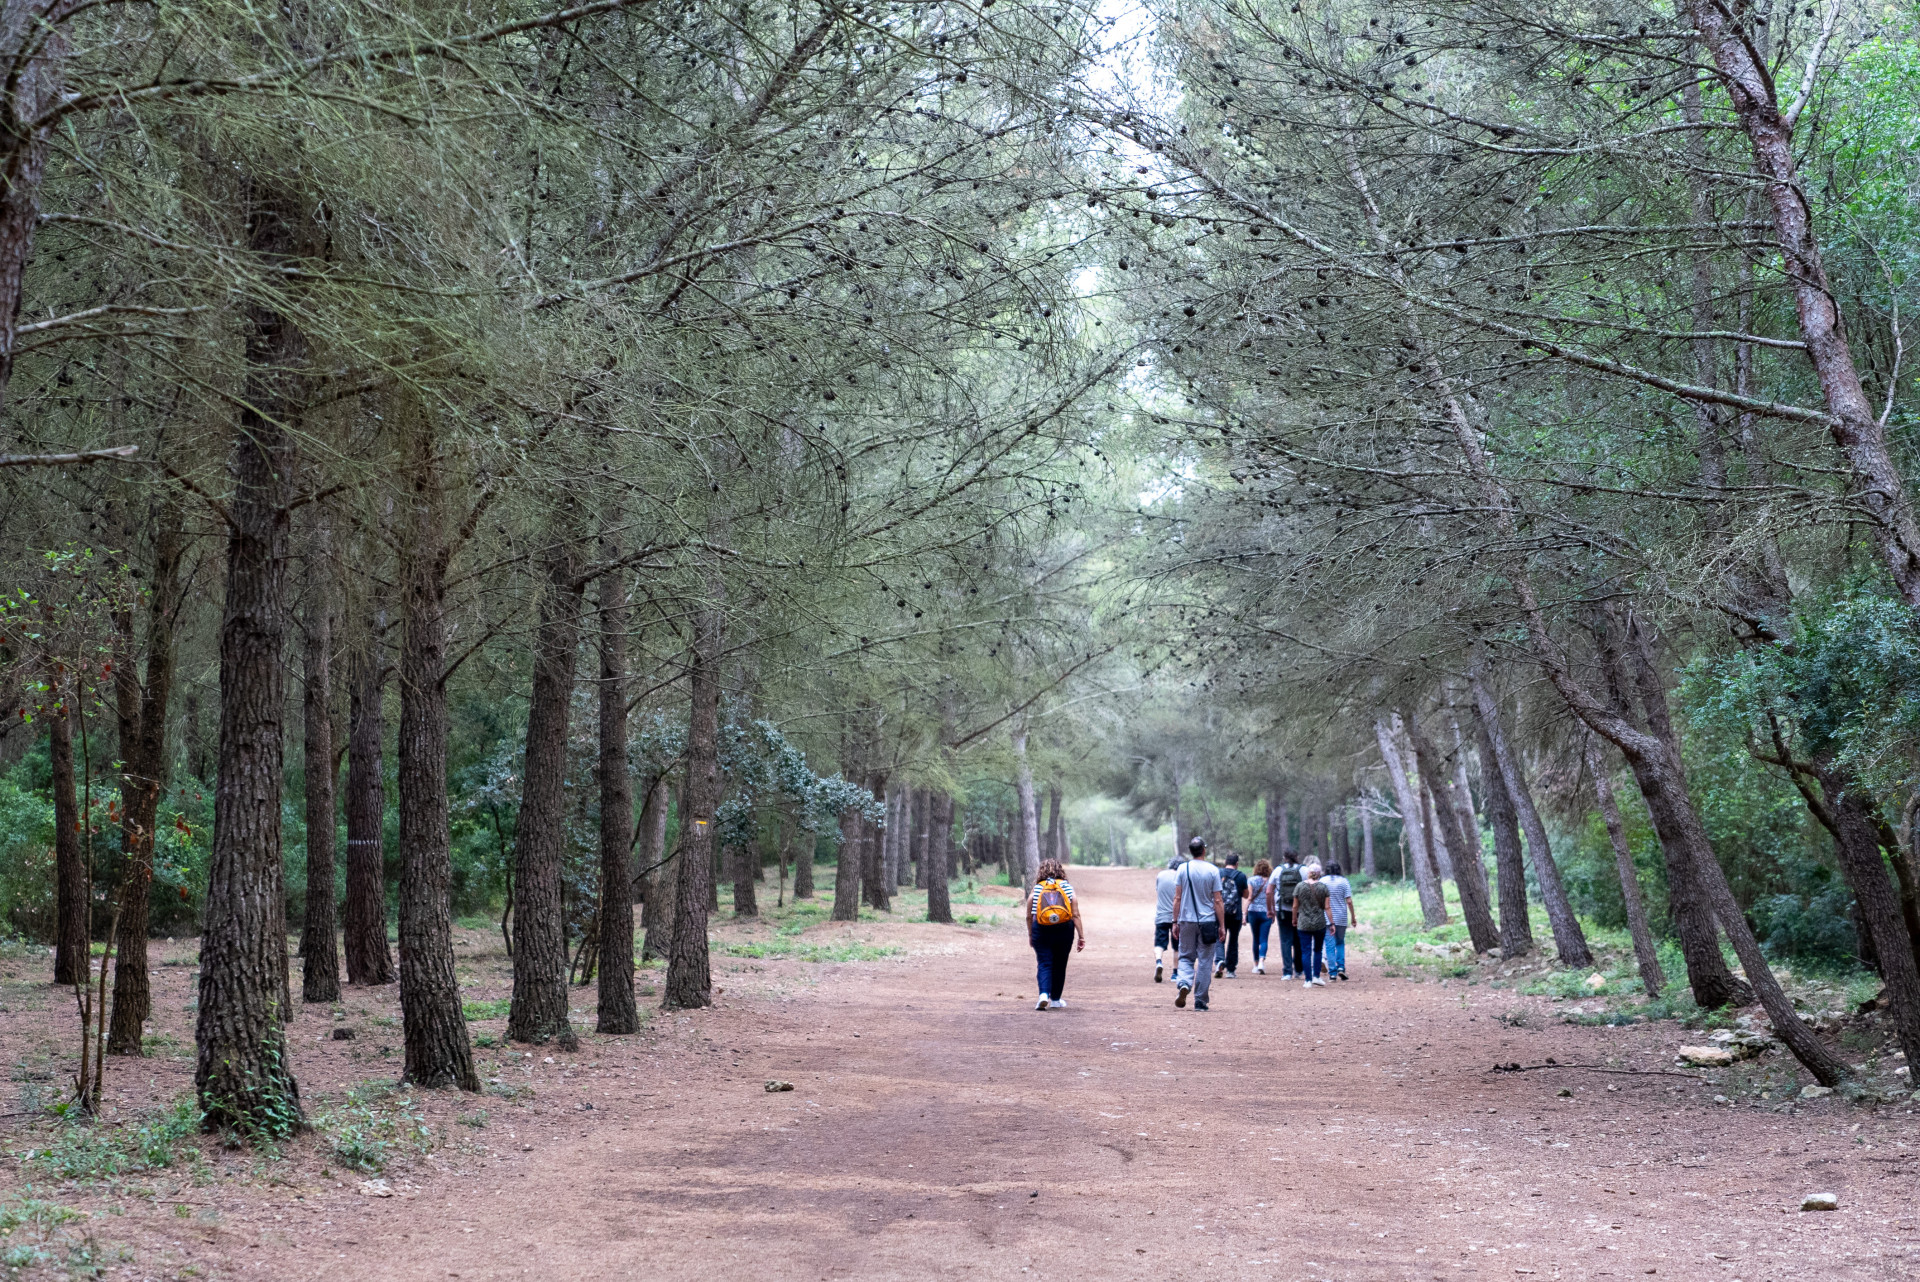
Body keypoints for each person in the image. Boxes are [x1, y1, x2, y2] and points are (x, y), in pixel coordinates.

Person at [1167, 836, 1225, 1011]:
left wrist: (1174, 921)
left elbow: (1177, 898)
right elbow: (1218, 900)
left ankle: (1184, 982)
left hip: (1186, 920)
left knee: (1185, 956)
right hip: (1207, 922)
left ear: (1190, 851)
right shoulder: (1213, 870)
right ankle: (1200, 1000)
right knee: (1206, 960)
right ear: (1204, 850)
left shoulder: (1182, 869)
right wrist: (1221, 925)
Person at [1027, 859, 1085, 1010]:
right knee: (1060, 964)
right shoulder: (1067, 888)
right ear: (1061, 871)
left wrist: (1031, 934)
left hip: (1041, 929)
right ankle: (1056, 1000)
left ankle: (1043, 995)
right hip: (1064, 929)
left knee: (1044, 963)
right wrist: (1081, 936)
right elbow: (1076, 914)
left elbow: (1029, 915)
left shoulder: (1037, 889)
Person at [1291, 862, 1332, 988]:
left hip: (1303, 922)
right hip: (1319, 923)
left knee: (1305, 951)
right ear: (1319, 874)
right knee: (1318, 950)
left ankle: (1307, 980)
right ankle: (1317, 977)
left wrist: (1294, 919)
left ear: (1308, 873)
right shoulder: (1323, 887)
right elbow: (1327, 907)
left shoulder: (1299, 886)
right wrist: (1332, 922)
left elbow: (1295, 906)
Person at [1269, 849, 1305, 980]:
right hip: (1300, 910)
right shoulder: (1303, 870)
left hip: (1282, 910)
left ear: (1284, 858)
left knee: (1285, 940)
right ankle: (1299, 970)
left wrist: (1270, 909)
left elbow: (1269, 891)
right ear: (1296, 857)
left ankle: (1287, 972)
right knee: (1299, 939)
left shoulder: (1278, 870)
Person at [1215, 852, 1249, 979]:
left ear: (1225, 862)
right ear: (1237, 864)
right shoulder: (1241, 876)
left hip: (1219, 912)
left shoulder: (1218, 873)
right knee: (1233, 940)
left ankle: (1219, 960)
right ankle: (1231, 970)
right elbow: (1246, 895)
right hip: (1236, 914)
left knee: (1219, 937)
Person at [1324, 860, 1356, 981]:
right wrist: (1353, 916)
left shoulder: (1323, 881)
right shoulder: (1344, 881)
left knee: (1329, 945)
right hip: (1341, 917)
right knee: (1340, 942)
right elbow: (1349, 901)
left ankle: (1332, 973)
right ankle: (1341, 968)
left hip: (1327, 917)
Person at [1153, 856, 1182, 983]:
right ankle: (1175, 973)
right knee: (1177, 946)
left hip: (1161, 916)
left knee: (1159, 943)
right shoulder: (1181, 877)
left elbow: (1157, 890)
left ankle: (1159, 962)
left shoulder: (1160, 875)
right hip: (1177, 917)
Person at [1245, 859, 1273, 974]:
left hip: (1253, 912)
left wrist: (1244, 913)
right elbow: (1272, 897)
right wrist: (1273, 911)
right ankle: (1262, 961)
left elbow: (1249, 897)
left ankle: (1256, 964)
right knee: (1264, 939)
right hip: (1266, 912)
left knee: (1255, 939)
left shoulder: (1251, 880)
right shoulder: (1271, 881)